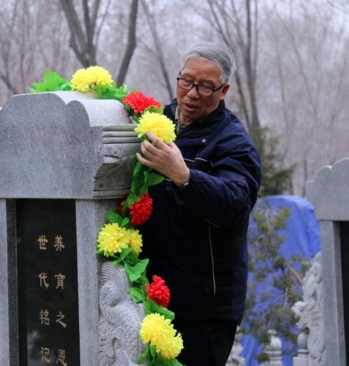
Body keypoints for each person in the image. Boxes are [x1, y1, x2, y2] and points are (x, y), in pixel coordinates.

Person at [136, 41, 262, 366]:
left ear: (223, 90)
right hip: (148, 292)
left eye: (205, 86)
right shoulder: (154, 122)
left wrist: (185, 176)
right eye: (186, 81)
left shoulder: (233, 142)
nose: (192, 93)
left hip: (203, 307)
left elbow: (234, 205)